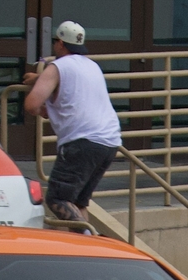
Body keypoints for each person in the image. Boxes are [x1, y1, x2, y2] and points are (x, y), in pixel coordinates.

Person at [22, 20, 120, 225]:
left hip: (81, 142)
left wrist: (44, 110)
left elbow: (31, 104)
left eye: (55, 42)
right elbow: (71, 85)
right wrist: (40, 78)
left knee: (58, 198)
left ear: (60, 43)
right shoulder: (92, 66)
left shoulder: (57, 66)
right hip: (109, 141)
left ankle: (86, 236)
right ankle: (88, 249)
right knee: (78, 202)